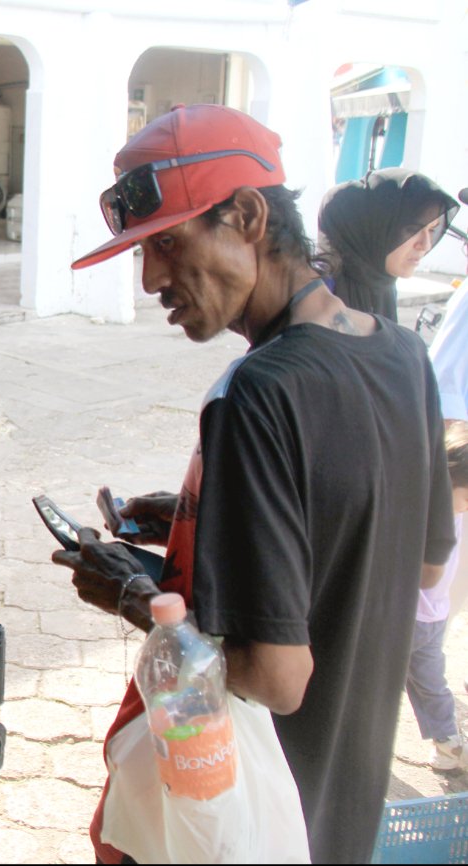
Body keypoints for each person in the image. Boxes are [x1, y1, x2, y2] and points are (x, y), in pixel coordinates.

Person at [54, 104, 456, 864]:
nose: (151, 279)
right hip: (345, 798)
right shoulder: (401, 356)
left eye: (167, 244)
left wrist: (130, 596)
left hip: (253, 813)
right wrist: (205, 516)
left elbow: (275, 679)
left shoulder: (256, 392)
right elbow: (420, 558)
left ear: (244, 215)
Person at [316, 168, 460, 319]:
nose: (426, 245)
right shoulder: (314, 294)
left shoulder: (383, 287)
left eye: (431, 230)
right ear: (370, 229)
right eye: (412, 229)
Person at [408, 421, 468, 769]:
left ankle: (447, 743)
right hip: (406, 619)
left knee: (432, 684)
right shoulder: (428, 509)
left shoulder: (454, 511)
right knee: (381, 693)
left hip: (433, 616)